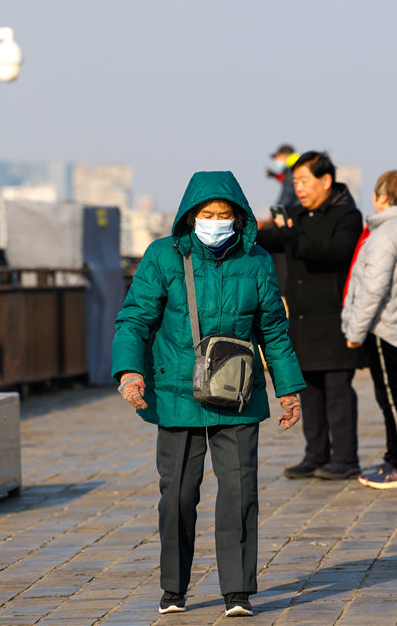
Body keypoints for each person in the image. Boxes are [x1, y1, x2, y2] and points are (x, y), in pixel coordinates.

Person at [112, 170, 305, 618]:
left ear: (239, 218)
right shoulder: (162, 257)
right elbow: (134, 319)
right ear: (190, 215)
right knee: (177, 495)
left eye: (224, 214)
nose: (216, 221)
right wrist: (129, 372)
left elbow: (273, 330)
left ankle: (237, 591)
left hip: (238, 397)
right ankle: (174, 588)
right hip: (177, 395)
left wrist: (288, 390)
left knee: (239, 493)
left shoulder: (257, 260)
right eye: (207, 213)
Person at [256, 151, 364, 481]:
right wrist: (247, 230)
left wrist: (293, 238)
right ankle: (315, 455)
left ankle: (345, 459)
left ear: (326, 180)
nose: (299, 188)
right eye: (295, 182)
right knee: (310, 391)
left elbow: (335, 251)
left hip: (335, 318)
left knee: (337, 391)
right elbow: (275, 238)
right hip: (302, 318)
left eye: (305, 181)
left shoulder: (347, 214)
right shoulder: (296, 215)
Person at [341, 170, 397, 489]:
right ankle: (394, 456)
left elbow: (372, 289)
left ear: (383, 197)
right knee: (395, 395)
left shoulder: (386, 234)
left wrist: (355, 330)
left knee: (392, 398)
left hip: (385, 326)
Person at [266, 143, 300, 210]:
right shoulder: (299, 165)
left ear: (284, 155)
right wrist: (274, 175)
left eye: (277, 157)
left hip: (296, 209)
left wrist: (277, 209)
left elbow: (288, 191)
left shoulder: (292, 169)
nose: (276, 160)